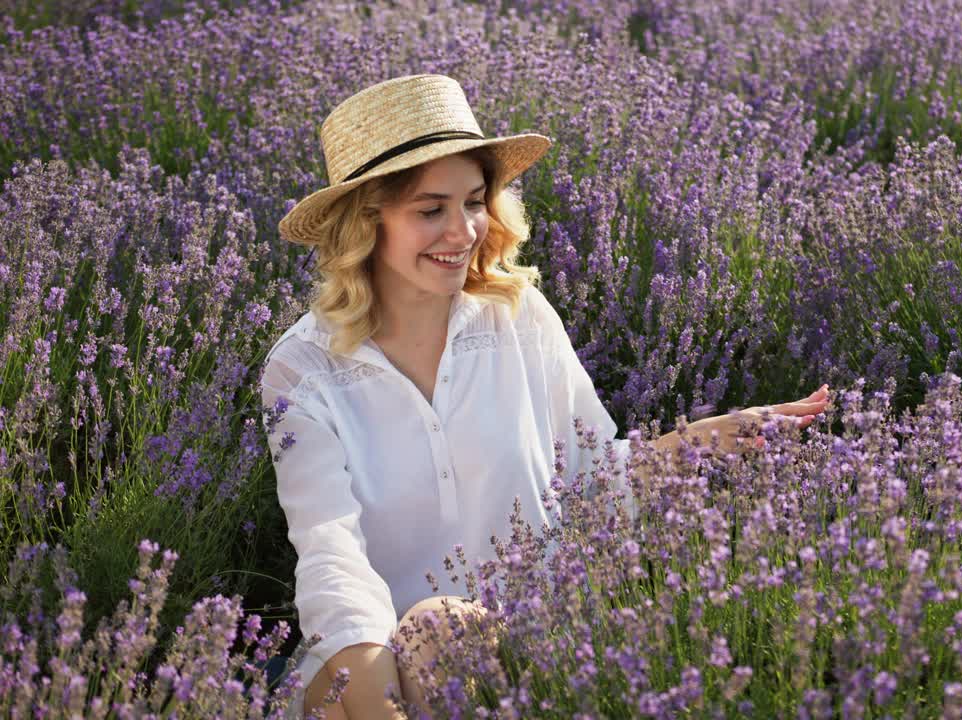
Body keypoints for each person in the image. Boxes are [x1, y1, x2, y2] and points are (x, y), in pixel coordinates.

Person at [261, 73, 829, 720]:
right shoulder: (304, 370)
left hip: (522, 649)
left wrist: (705, 439)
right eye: (430, 209)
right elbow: (331, 555)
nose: (464, 230)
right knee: (423, 636)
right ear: (366, 223)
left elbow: (590, 475)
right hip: (363, 668)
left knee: (440, 631)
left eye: (475, 202)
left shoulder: (518, 318)